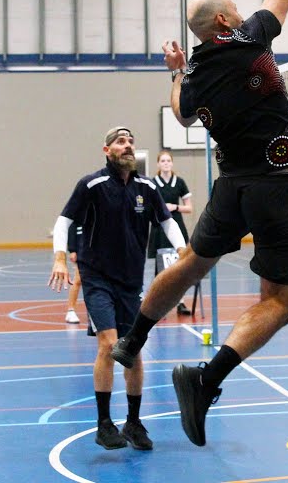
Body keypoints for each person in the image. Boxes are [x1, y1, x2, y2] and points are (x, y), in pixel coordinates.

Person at [109, 0, 288, 448]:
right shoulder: (250, 39)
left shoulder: (198, 77)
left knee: (192, 262)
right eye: (233, 5)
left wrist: (177, 69)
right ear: (228, 19)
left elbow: (182, 114)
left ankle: (133, 337)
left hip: (230, 186)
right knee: (283, 300)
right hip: (275, 187)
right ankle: (205, 382)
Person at [46, 126, 187, 453]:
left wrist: (184, 252)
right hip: (97, 278)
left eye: (131, 142)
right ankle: (104, 423)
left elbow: (167, 222)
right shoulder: (91, 185)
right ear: (107, 150)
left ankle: (134, 422)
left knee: (133, 350)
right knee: (110, 344)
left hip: (130, 281)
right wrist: (59, 259)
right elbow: (63, 222)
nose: (128, 146)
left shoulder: (146, 187)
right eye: (121, 142)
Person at [147, 149, 196, 316]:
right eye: (163, 161)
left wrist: (174, 207)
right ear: (158, 164)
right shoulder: (153, 182)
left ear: (172, 163)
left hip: (177, 227)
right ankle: (156, 305)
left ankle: (180, 302)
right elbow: (147, 206)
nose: (166, 163)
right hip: (159, 229)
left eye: (168, 161)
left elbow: (189, 208)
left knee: (179, 265)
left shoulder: (179, 182)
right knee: (159, 269)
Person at [65, 221, 83, 324]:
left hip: (99, 253)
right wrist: (72, 250)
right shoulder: (80, 214)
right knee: (78, 280)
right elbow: (72, 229)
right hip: (82, 252)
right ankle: (71, 311)